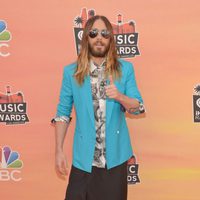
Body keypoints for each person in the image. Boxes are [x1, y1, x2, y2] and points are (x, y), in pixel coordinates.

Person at [51, 15, 145, 200]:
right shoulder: (71, 72)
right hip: (83, 161)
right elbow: (62, 113)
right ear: (86, 37)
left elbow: (138, 106)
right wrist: (59, 150)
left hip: (115, 160)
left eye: (104, 33)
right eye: (93, 33)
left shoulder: (125, 69)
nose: (99, 38)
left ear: (111, 38)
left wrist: (119, 97)